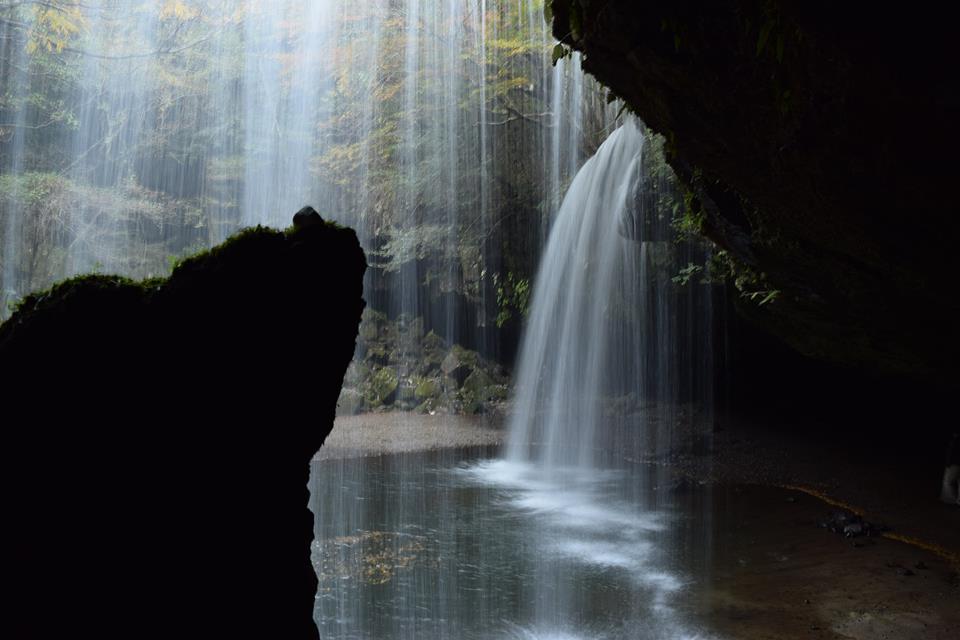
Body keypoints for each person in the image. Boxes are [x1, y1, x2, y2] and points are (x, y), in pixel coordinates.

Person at [941, 432, 959, 505]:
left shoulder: (955, 441)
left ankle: (949, 500)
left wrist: (948, 463)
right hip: (956, 463)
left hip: (954, 464)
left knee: (947, 481)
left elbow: (951, 452)